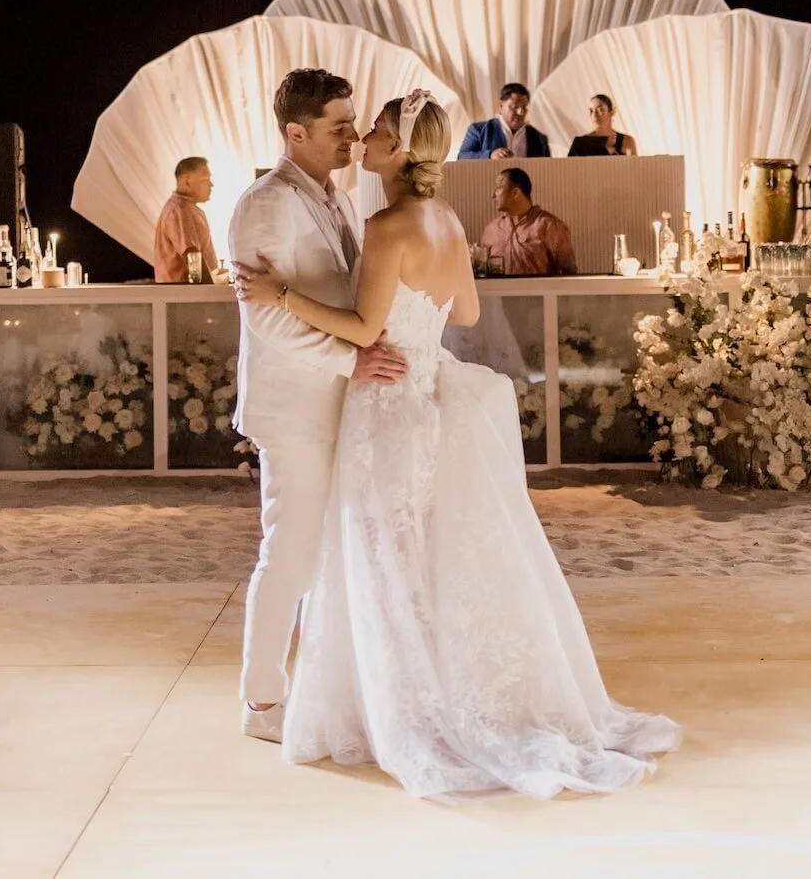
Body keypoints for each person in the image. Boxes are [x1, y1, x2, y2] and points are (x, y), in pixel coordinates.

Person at [233, 90, 679, 799]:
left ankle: (400, 705)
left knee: (386, 561)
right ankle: (410, 690)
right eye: (350, 127)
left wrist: (282, 296)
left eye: (372, 129)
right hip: (422, 394)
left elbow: (361, 326)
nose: (361, 138)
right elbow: (464, 309)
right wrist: (417, 317)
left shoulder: (380, 220)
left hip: (383, 407)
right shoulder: (441, 217)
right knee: (415, 558)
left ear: (398, 150)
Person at [225, 68, 408, 745]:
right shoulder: (264, 205)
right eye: (339, 127)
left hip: (342, 403)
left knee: (331, 550)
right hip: (296, 408)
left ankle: (328, 685)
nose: (353, 136)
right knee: (291, 551)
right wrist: (351, 360)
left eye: (354, 123)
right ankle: (262, 701)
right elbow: (265, 319)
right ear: (294, 133)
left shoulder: (335, 198)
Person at [480, 167, 578, 275]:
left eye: (498, 188)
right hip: (498, 292)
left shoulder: (548, 226)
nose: (493, 195)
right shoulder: (491, 230)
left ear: (516, 193)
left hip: (539, 291)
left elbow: (569, 272)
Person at [153, 156, 222, 282]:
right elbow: (192, 257)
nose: (211, 184)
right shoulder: (179, 211)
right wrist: (211, 292)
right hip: (185, 296)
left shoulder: (187, 209)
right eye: (204, 180)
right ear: (186, 181)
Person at [458, 82, 551, 159]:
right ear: (500, 106)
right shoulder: (479, 130)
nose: (521, 112)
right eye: (514, 107)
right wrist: (489, 155)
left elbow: (548, 170)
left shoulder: (540, 138)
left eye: (524, 107)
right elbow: (462, 157)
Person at [567, 94, 638, 156]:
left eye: (600, 110)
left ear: (611, 112)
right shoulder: (580, 144)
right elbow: (569, 169)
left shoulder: (627, 142)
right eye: (591, 111)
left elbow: (634, 169)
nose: (594, 115)